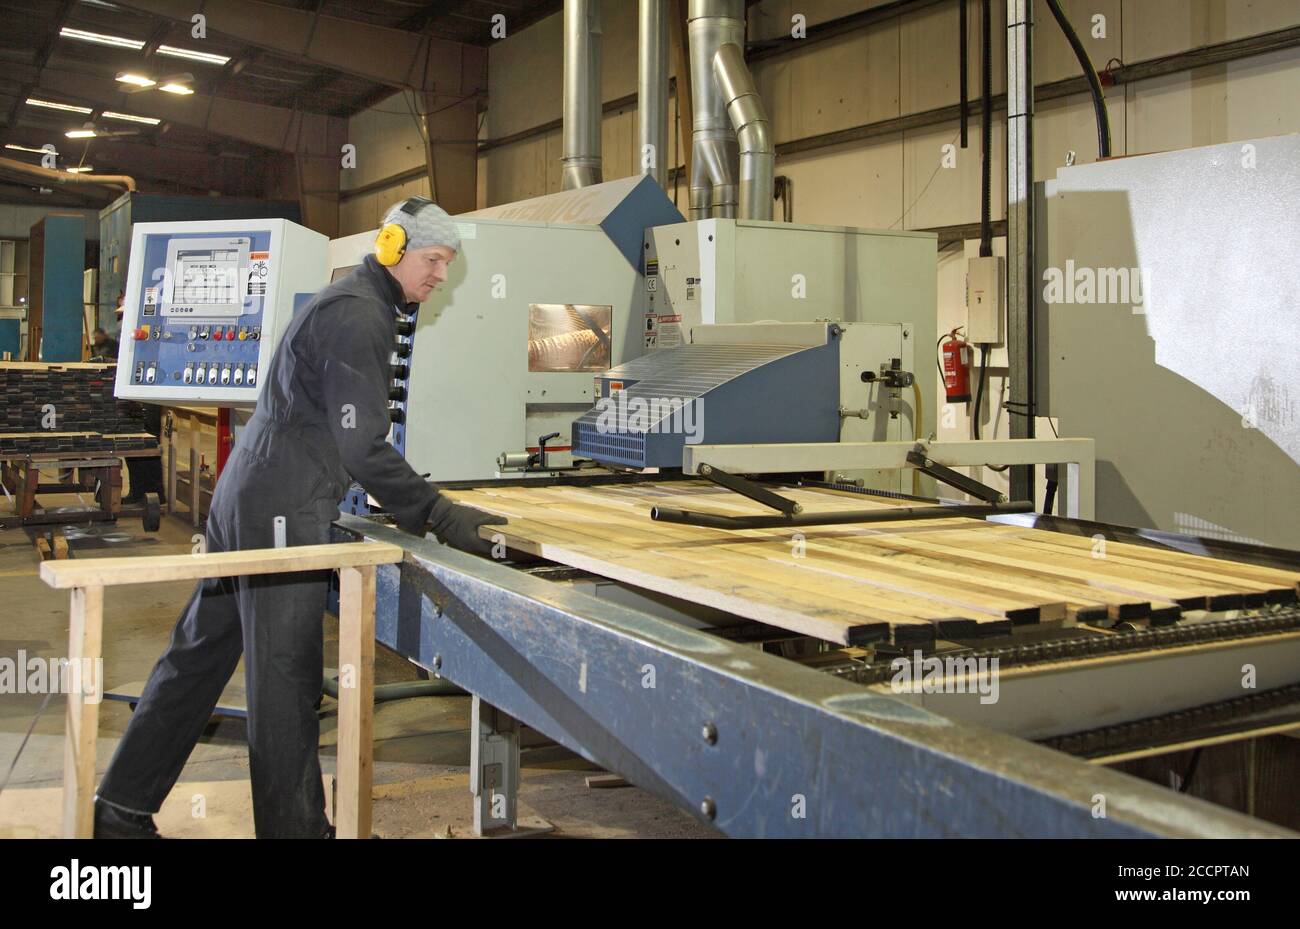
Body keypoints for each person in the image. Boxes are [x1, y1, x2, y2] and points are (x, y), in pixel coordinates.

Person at [92, 198, 506, 838]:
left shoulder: (351, 301)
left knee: (197, 658)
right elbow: (360, 445)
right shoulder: (362, 316)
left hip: (246, 496)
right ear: (394, 248)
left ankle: (119, 810)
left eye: (446, 263)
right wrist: (440, 515)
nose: (439, 276)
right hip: (281, 507)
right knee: (285, 683)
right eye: (433, 260)